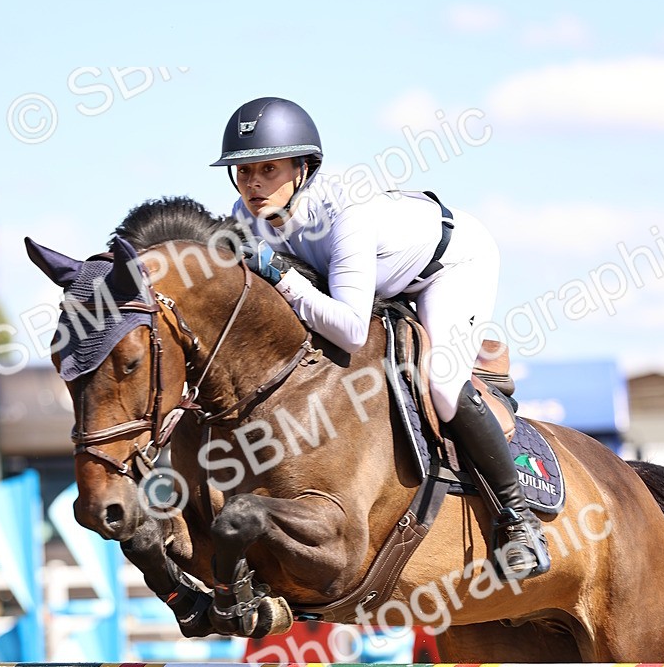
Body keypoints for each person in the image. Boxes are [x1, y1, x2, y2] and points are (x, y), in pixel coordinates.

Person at [211, 96, 550, 578]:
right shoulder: (246, 217)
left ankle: (520, 523)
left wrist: (280, 277)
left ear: (303, 168)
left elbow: (348, 329)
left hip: (450, 265)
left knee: (442, 384)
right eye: (243, 172)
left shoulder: (345, 212)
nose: (252, 183)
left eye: (267, 168)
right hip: (376, 280)